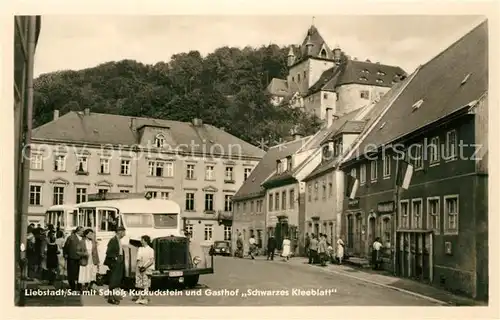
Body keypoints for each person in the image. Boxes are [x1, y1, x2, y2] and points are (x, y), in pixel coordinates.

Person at [105, 226, 126, 305]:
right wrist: (115, 258)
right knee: (114, 279)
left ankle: (113, 296)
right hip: (115, 262)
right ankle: (111, 298)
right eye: (124, 232)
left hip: (119, 261)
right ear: (120, 232)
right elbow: (109, 252)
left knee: (117, 280)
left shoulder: (118, 240)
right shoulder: (113, 240)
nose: (125, 234)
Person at [135, 235, 155, 305]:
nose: (141, 241)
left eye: (142, 240)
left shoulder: (151, 250)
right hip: (139, 268)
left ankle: (145, 299)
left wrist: (144, 267)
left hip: (147, 269)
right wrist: (138, 268)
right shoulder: (140, 249)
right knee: (139, 284)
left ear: (145, 241)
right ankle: (140, 298)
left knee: (146, 284)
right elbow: (138, 259)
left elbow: (151, 260)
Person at [64, 226, 84, 291]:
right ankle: (72, 287)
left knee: (80, 273)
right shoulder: (71, 238)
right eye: (82, 231)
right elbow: (66, 247)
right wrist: (65, 254)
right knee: (71, 273)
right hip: (72, 257)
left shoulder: (83, 238)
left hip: (81, 258)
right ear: (78, 231)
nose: (83, 232)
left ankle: (79, 286)